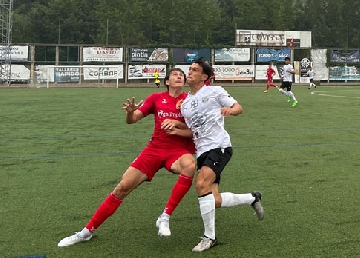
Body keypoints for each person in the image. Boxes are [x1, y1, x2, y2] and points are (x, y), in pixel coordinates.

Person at [57, 68, 196, 247]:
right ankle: (86, 232)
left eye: (181, 75)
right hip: (153, 150)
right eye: (175, 74)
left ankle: (165, 216)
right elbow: (132, 120)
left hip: (177, 151)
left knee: (190, 165)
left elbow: (196, 130)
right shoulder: (155, 98)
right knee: (121, 188)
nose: (179, 76)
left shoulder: (190, 101)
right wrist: (130, 112)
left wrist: (177, 125)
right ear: (167, 81)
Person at [168, 58, 263, 253]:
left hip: (219, 146)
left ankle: (209, 237)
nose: (190, 72)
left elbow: (238, 107)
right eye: (190, 69)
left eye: (194, 70)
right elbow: (192, 130)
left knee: (201, 184)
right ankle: (252, 198)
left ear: (203, 76)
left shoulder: (214, 91)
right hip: (202, 151)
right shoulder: (185, 103)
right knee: (214, 199)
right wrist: (176, 127)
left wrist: (230, 110)